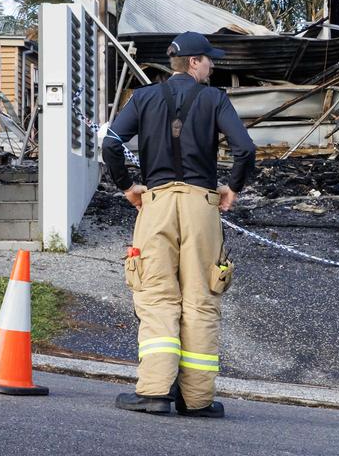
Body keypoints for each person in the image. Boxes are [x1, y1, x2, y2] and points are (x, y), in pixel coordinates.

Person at [101, 31, 256, 418]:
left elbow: (111, 144)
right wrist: (232, 187)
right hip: (201, 205)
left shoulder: (143, 98)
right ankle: (197, 399)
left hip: (155, 205)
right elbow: (246, 149)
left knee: (156, 296)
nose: (213, 65)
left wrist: (127, 187)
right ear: (193, 62)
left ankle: (154, 392)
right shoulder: (215, 99)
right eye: (208, 59)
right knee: (201, 299)